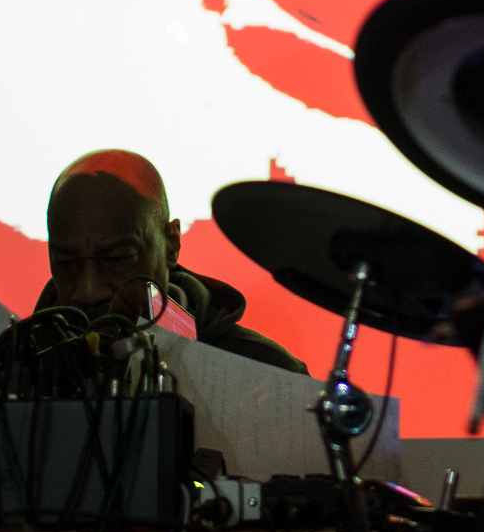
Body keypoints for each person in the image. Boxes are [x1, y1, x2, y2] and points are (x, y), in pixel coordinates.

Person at [38, 148, 309, 375]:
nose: (89, 292)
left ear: (171, 243)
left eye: (117, 259)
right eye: (66, 264)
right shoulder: (17, 369)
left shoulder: (270, 376)